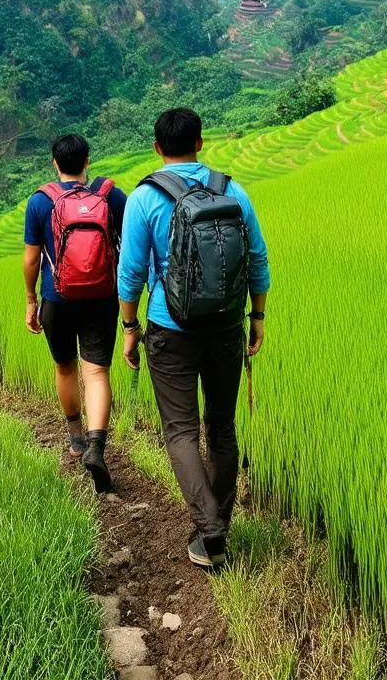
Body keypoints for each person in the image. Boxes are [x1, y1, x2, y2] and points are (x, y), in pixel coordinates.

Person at [117, 108, 270, 569]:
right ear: (201, 143)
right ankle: (215, 527)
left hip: (170, 329)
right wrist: (257, 317)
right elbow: (258, 258)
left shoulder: (144, 198)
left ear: (156, 148)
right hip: (226, 326)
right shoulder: (232, 190)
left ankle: (210, 531)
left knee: (181, 431)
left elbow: (130, 274)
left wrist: (129, 329)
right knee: (221, 427)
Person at [23, 134, 127, 492]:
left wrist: (31, 300)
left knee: (64, 366)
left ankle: (76, 439)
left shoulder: (40, 202)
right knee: (96, 371)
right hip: (102, 297)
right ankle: (98, 446)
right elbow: (129, 246)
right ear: (87, 161)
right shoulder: (110, 195)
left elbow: (31, 258)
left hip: (58, 299)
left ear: (55, 163)